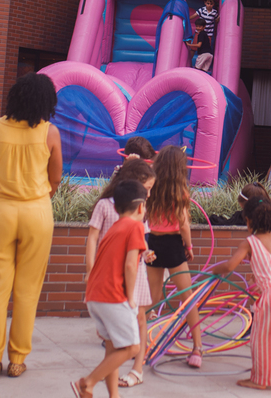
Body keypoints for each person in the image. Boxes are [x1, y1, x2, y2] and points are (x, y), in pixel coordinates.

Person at [0, 73, 64, 379]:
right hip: (37, 212)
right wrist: (39, 195)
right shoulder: (49, 132)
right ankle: (17, 359)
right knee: (28, 291)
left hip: (1, 210)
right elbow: (56, 179)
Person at [210, 195, 271, 390]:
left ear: (249, 220)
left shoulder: (250, 243)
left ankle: (261, 379)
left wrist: (212, 270)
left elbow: (229, 265)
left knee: (263, 339)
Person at [72, 180, 149, 398]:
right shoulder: (136, 226)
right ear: (141, 207)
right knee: (132, 348)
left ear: (115, 208)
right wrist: (130, 298)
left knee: (113, 349)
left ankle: (113, 395)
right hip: (112, 296)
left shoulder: (115, 227)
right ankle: (88, 383)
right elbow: (130, 265)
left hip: (95, 295)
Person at [86, 158, 156, 389]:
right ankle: (91, 383)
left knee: (138, 322)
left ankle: (136, 369)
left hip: (131, 273)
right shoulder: (112, 208)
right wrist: (90, 268)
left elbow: (139, 247)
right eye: (146, 190)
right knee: (123, 343)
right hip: (117, 279)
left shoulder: (135, 218)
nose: (148, 195)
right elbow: (94, 238)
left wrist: (145, 254)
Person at [145, 145, 203, 367]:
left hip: (155, 243)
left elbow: (144, 218)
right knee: (187, 298)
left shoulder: (151, 189)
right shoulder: (180, 192)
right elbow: (184, 224)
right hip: (174, 245)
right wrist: (189, 247)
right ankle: (197, 348)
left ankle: (141, 346)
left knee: (152, 298)